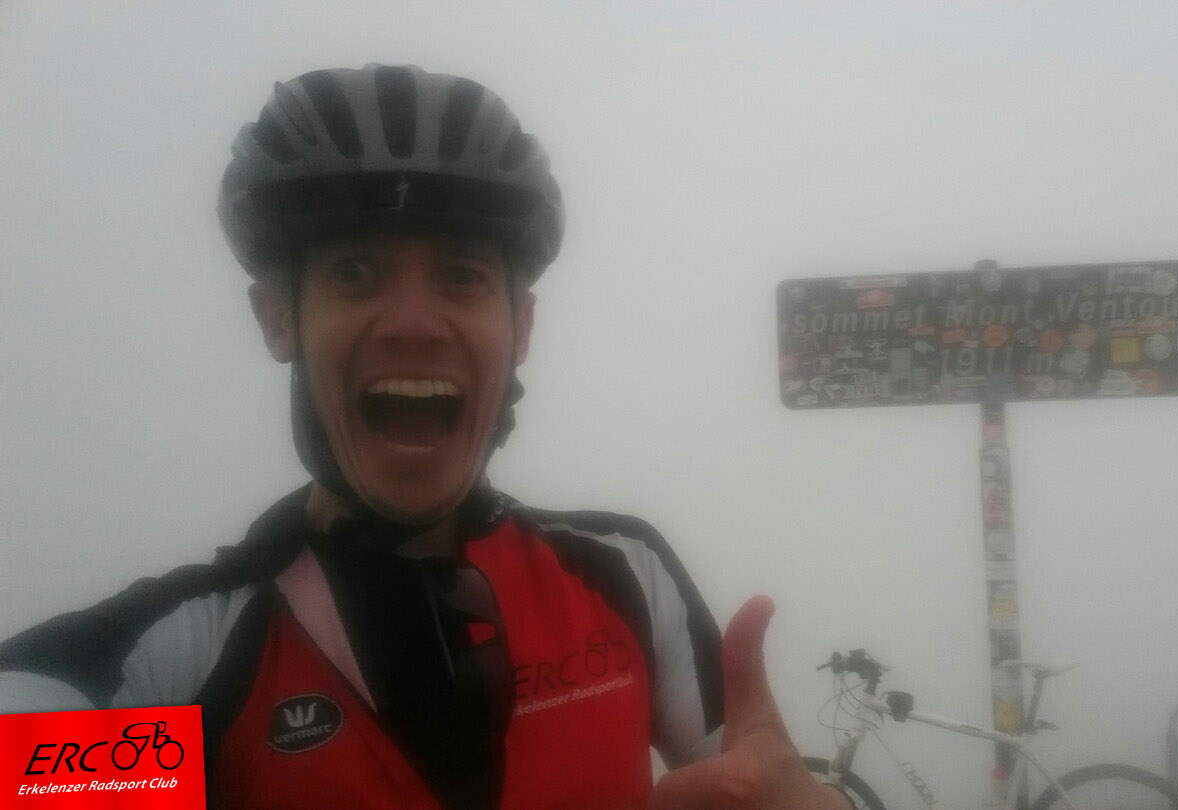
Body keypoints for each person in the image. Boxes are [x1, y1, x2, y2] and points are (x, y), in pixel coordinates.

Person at [0, 64, 843, 810]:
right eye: (356, 271)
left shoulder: (621, 578)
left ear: (521, 327)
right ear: (278, 319)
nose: (412, 322)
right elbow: (33, 762)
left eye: (461, 275)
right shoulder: (197, 658)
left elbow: (748, 782)